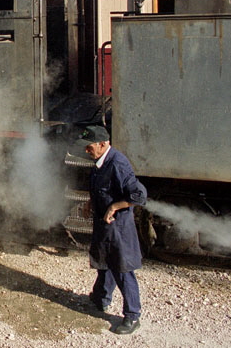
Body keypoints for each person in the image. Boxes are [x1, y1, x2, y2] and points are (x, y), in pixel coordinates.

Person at [77, 125, 147, 335]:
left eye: (89, 147)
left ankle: (133, 316)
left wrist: (114, 206)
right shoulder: (99, 161)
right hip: (103, 222)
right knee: (103, 262)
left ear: (103, 144)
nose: (86, 151)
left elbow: (139, 195)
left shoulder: (118, 164)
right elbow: (101, 187)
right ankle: (100, 299)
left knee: (122, 269)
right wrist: (91, 202)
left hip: (118, 227)